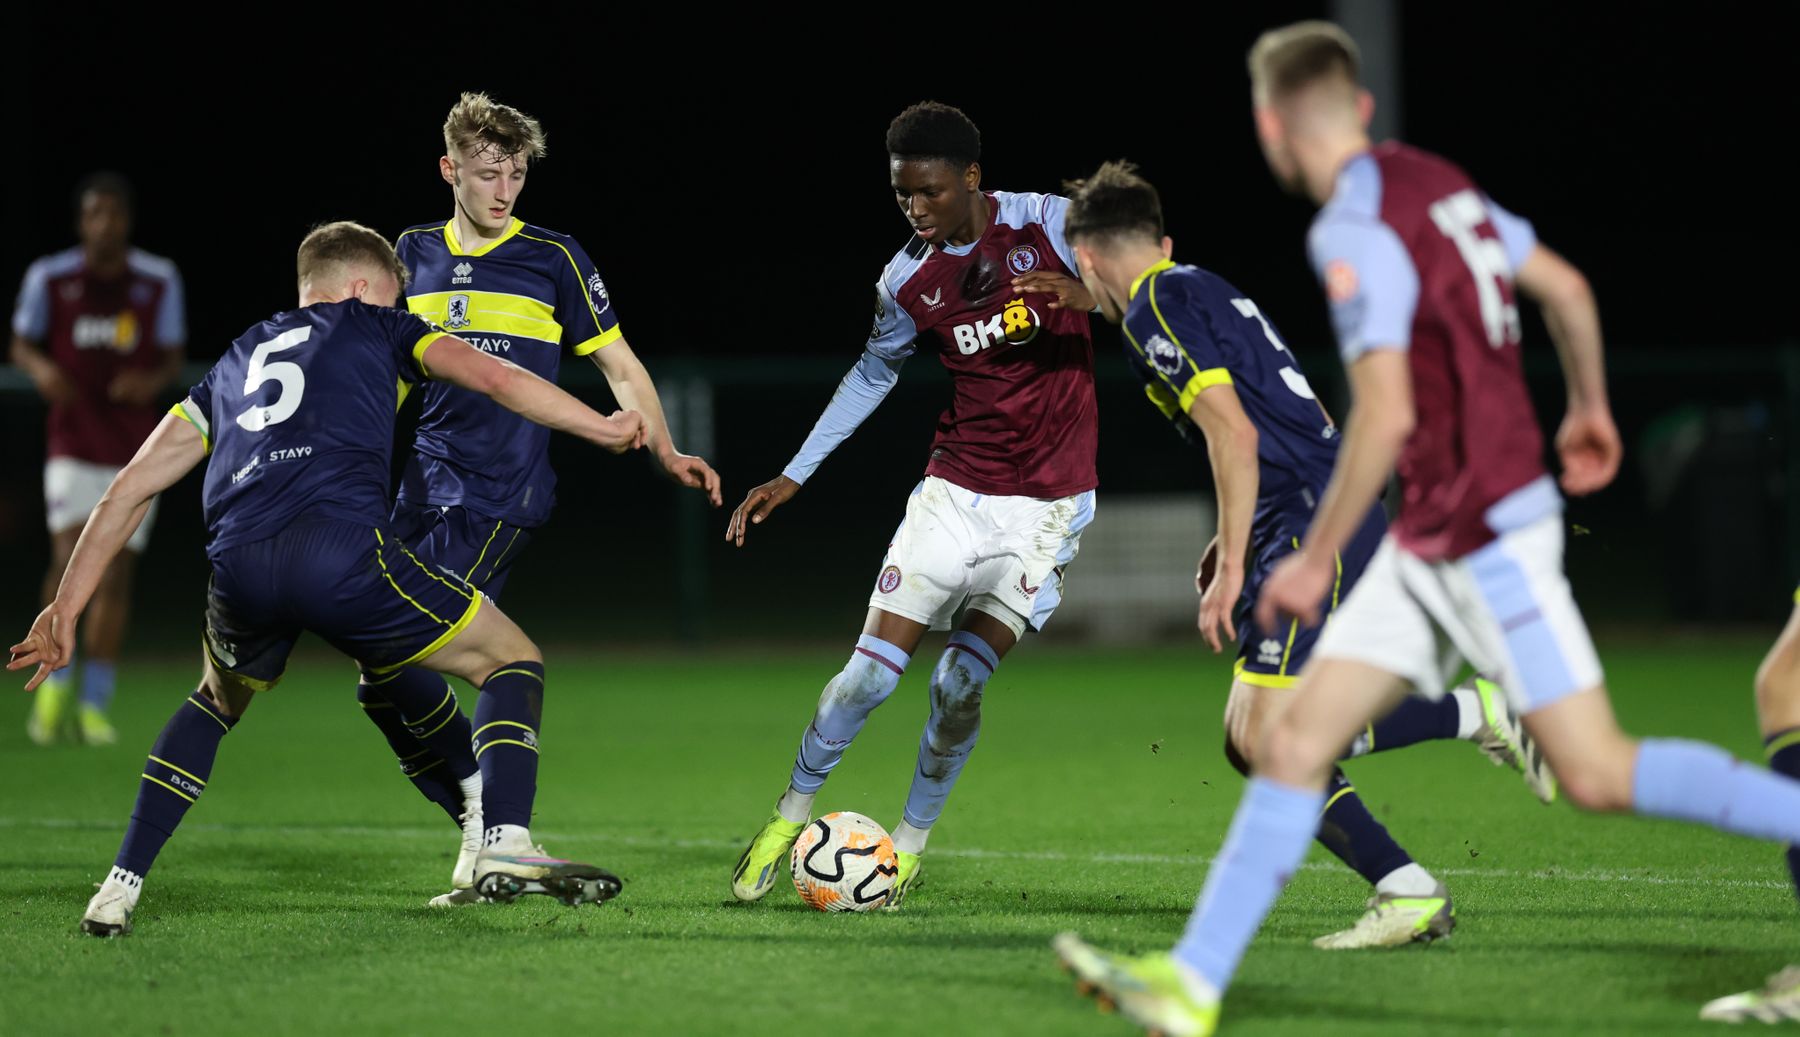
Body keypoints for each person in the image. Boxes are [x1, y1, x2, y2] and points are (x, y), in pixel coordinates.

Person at [1053, 22, 1800, 1035]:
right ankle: (1192, 984)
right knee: (1285, 739)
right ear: (1358, 109)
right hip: (1432, 524)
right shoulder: (1440, 186)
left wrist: (1301, 555)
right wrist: (1588, 405)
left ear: (1272, 131)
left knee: (1595, 769)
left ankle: (1438, 799)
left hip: (1481, 529)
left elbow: (1385, 411)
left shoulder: (1346, 235)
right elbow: (1569, 289)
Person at [8, 222, 644, 936]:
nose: (403, 305)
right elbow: (498, 378)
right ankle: (505, 840)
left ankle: (118, 888)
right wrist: (604, 426)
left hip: (239, 565)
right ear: (361, 287)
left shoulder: (238, 356)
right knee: (512, 658)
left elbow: (126, 488)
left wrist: (63, 605)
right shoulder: (379, 324)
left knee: (215, 702)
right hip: (340, 554)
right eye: (397, 294)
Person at [1062, 158, 1553, 949]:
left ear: (1086, 258)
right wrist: (1237, 533)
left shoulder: (1155, 308)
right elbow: (1295, 413)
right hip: (1316, 509)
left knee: (1268, 738)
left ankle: (1407, 886)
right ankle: (1474, 714)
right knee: (1249, 737)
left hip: (1305, 521)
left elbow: (1236, 431)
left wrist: (1233, 570)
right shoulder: (1199, 285)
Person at [727, 101, 1100, 909]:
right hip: (956, 493)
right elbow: (873, 371)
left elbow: (1152, 279)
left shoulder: (1052, 224)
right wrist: (796, 471)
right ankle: (789, 817)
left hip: (1047, 508)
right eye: (903, 195)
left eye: (930, 192)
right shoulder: (905, 279)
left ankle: (912, 844)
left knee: (959, 683)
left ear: (971, 177)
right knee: (865, 678)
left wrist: (1084, 291)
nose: (916, 209)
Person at [365, 92, 720, 907]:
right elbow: (377, 370)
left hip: (501, 493)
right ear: (449, 170)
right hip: (417, 488)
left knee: (415, 650)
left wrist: (664, 449)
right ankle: (485, 821)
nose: (504, 190)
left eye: (517, 174)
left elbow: (620, 367)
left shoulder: (555, 257)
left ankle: (500, 828)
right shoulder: (410, 252)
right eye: (488, 173)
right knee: (376, 674)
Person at [12, 172, 185, 746]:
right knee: (67, 560)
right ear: (82, 221)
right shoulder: (51, 277)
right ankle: (53, 687)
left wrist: (150, 380)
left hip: (135, 452)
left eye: (113, 214)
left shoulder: (157, 280)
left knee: (116, 574)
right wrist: (41, 370)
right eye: (94, 215)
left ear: (127, 221)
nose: (104, 225)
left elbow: (171, 357)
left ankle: (94, 703)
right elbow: (21, 342)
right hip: (72, 443)